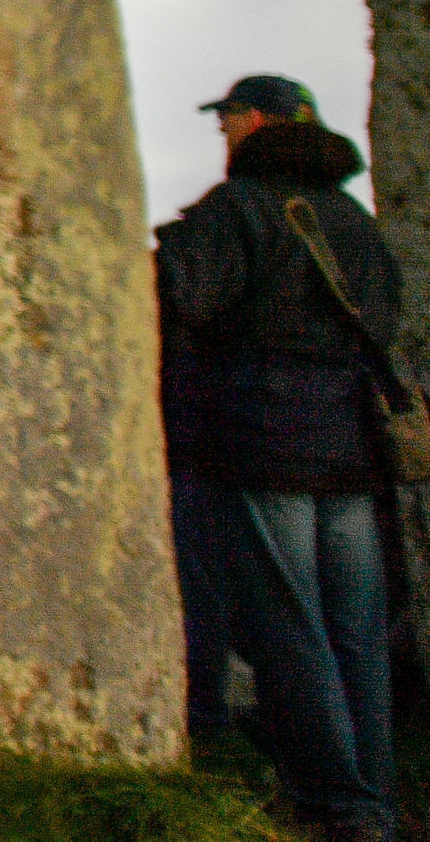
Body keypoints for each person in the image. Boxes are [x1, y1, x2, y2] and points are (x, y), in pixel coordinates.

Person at [158, 74, 400, 842]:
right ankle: (378, 797)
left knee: (288, 623)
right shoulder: (353, 218)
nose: (223, 132)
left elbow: (182, 298)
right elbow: (387, 317)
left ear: (253, 120)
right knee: (356, 628)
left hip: (266, 438)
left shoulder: (240, 208)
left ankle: (339, 802)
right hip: (352, 447)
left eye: (226, 118)